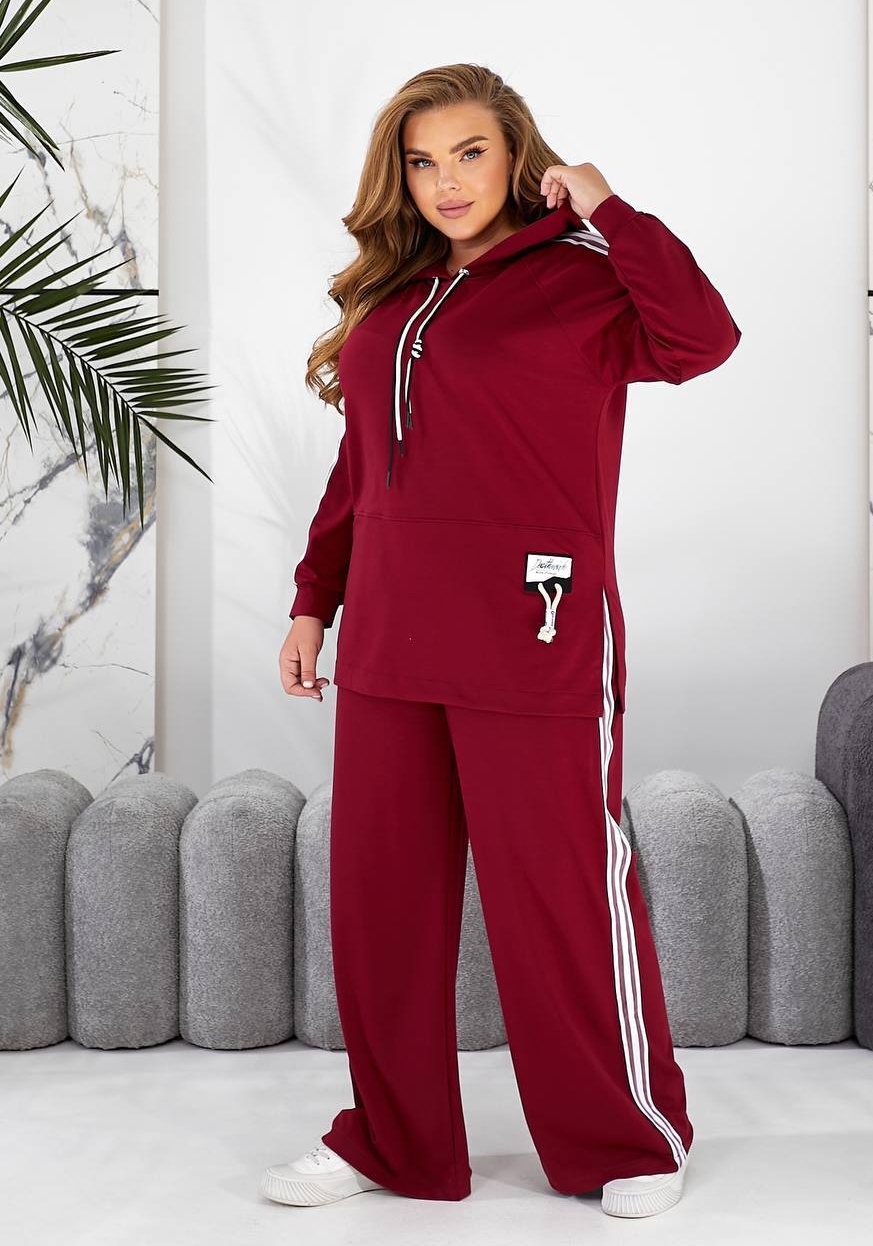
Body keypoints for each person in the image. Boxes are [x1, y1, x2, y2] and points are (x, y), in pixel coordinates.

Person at [262, 62, 741, 1220]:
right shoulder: (396, 297)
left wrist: (608, 206)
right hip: (391, 645)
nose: (446, 181)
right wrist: (315, 597)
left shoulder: (585, 276)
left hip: (537, 631)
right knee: (382, 904)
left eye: (469, 153)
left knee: (561, 896)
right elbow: (361, 465)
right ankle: (395, 1139)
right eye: (423, 161)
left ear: (517, 154)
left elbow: (704, 336)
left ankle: (629, 1135)